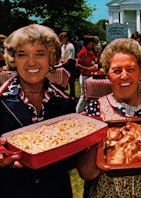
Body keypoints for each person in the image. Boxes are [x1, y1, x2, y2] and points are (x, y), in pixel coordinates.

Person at [76, 38, 141, 198]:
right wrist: (95, 137)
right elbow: (88, 173)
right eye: (117, 70)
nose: (124, 76)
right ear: (107, 73)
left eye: (130, 69)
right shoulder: (94, 111)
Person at [0, 24, 76, 198]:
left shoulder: (65, 103)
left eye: (40, 54)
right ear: (13, 59)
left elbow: (72, 161)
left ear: (51, 58)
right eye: (22, 54)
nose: (31, 62)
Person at [75, 35, 98, 113]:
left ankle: (87, 111)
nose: (92, 46)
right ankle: (78, 111)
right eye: (91, 44)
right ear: (87, 43)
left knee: (90, 96)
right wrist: (88, 68)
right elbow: (77, 65)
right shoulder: (82, 52)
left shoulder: (90, 52)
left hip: (90, 76)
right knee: (84, 96)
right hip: (84, 76)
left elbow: (95, 60)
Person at [58, 31, 77, 97]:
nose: (60, 39)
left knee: (71, 83)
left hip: (70, 66)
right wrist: (59, 63)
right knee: (62, 83)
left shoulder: (70, 46)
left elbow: (70, 59)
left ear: (66, 38)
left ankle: (72, 97)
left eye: (62, 37)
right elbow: (62, 56)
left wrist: (61, 65)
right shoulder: (63, 45)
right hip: (63, 65)